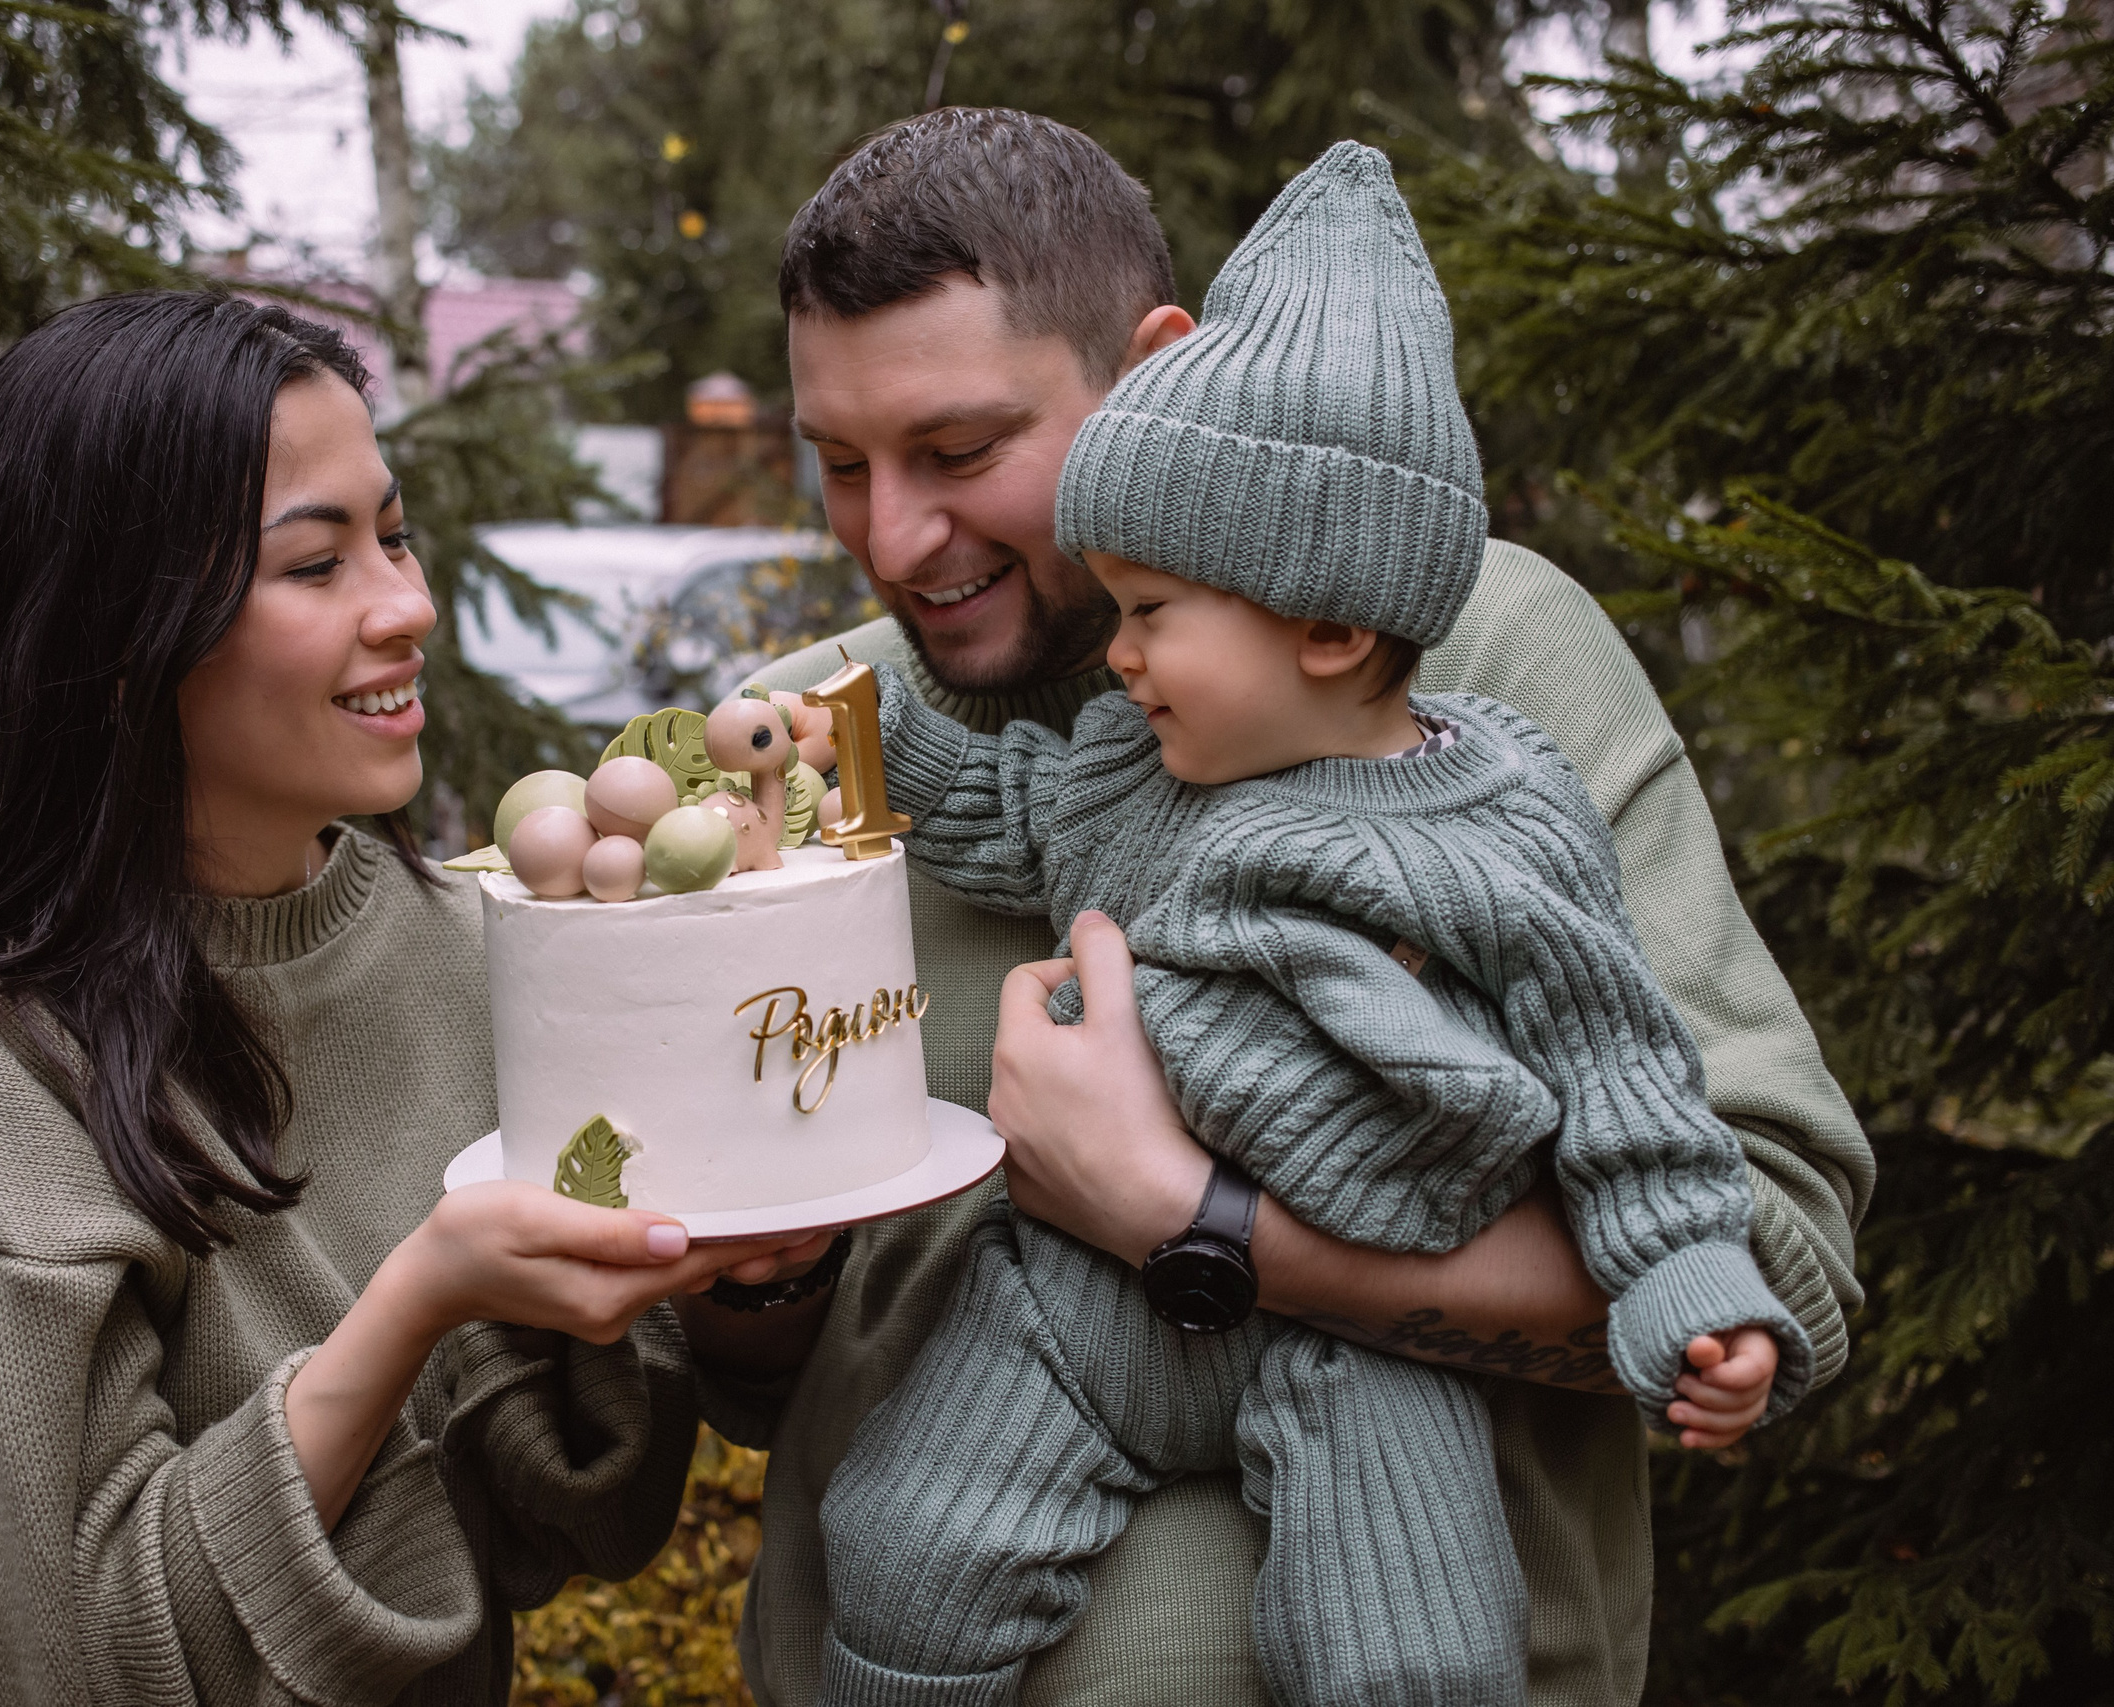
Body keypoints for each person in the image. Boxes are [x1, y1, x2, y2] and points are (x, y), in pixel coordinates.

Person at [727, 109, 1875, 1705]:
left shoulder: (1493, 680)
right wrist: (748, 1280)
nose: (894, 535)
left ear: (1159, 367)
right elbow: (722, 1381)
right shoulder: (808, 744)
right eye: (839, 465)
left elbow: (1777, 1248)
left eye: (963, 451)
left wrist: (1195, 1226)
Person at [0, 292, 816, 1706]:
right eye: (317, 565)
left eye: (397, 534)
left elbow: (584, 1503)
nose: (408, 605)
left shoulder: (462, 944)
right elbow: (77, 1665)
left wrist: (749, 1264)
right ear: (119, 633)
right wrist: (418, 1303)